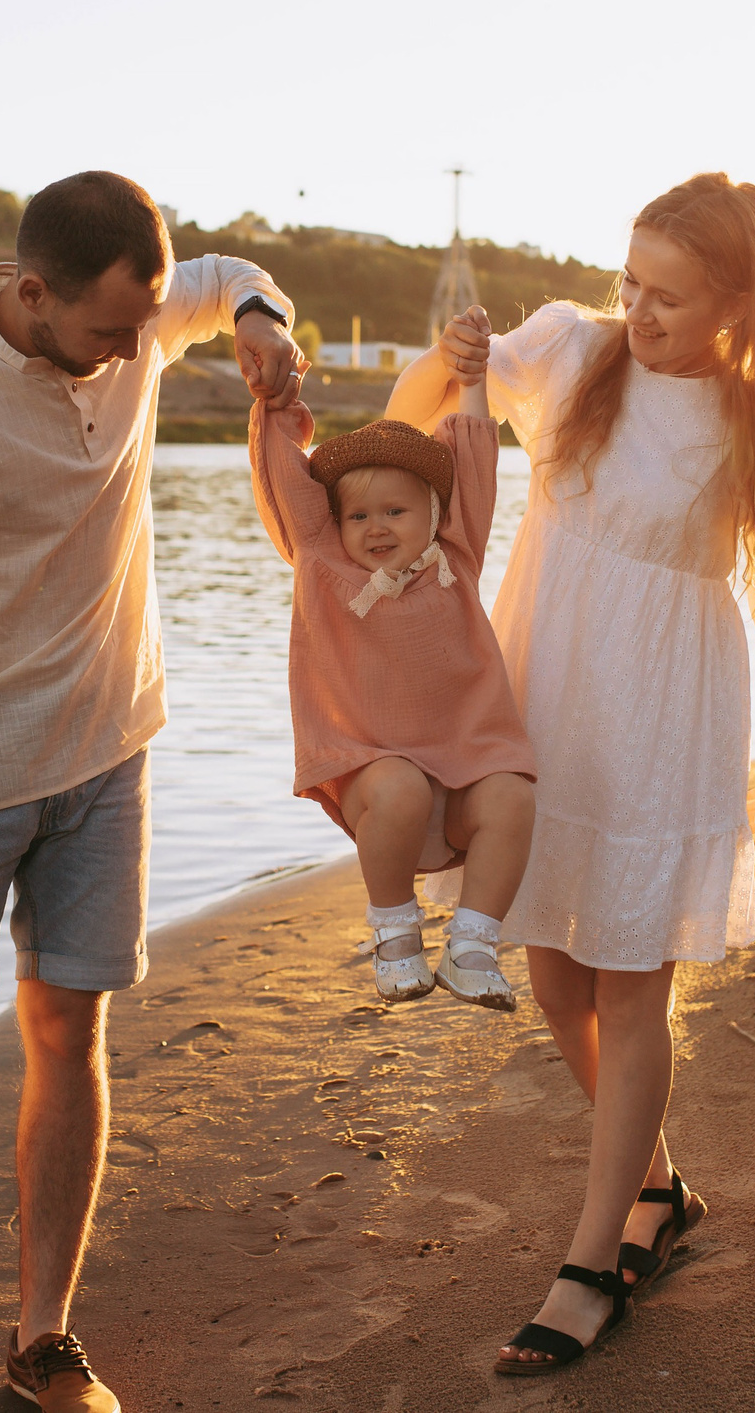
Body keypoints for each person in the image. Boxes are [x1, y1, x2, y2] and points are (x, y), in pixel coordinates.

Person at [0, 171, 302, 1413]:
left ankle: (44, 1337)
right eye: (109, 331)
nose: (136, 352)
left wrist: (261, 319)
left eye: (145, 325)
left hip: (105, 751)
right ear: (33, 294)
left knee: (69, 1033)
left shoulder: (131, 311)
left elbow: (225, 278)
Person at [384, 173, 755, 1376]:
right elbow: (409, 426)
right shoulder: (573, 350)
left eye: (668, 297)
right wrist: (440, 362)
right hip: (544, 697)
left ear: (737, 307)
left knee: (631, 988)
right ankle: (658, 1190)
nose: (639, 310)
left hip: (665, 721)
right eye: (631, 281)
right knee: (553, 975)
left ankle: (590, 1266)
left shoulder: (748, 421)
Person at [246, 304, 535, 1010]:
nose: (375, 528)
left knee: (514, 794)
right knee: (401, 785)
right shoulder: (323, 564)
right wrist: (277, 406)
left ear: (433, 515)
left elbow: (475, 457)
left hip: (464, 769)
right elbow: (283, 478)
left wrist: (473, 379)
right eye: (358, 515)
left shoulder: (454, 556)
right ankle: (396, 936)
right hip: (373, 772)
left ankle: (472, 946)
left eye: (395, 512)